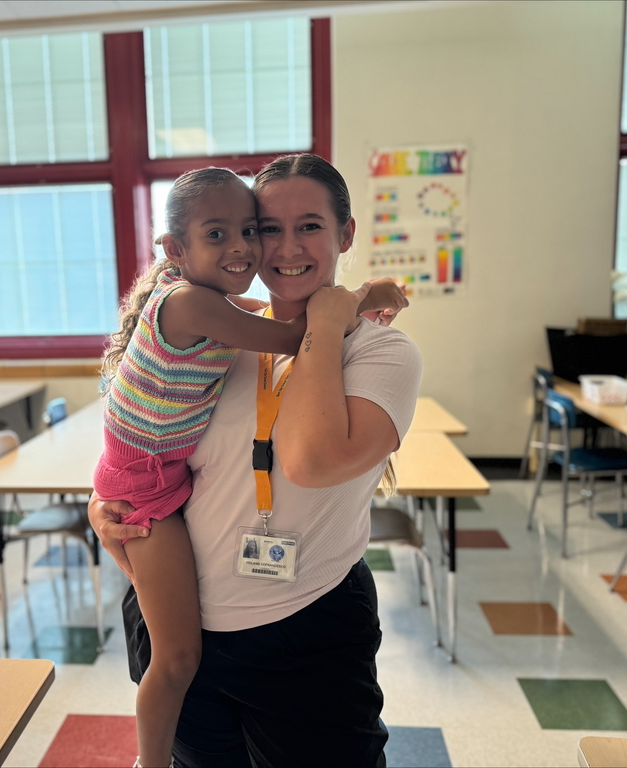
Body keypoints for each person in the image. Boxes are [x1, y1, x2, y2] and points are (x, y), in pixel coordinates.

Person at [91, 153, 421, 768]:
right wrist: (103, 508)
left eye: (311, 226)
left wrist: (334, 313)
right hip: (188, 628)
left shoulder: (382, 351)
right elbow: (146, 446)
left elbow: (308, 460)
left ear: (346, 233)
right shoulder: (220, 333)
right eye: (267, 227)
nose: (280, 245)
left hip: (306, 632)